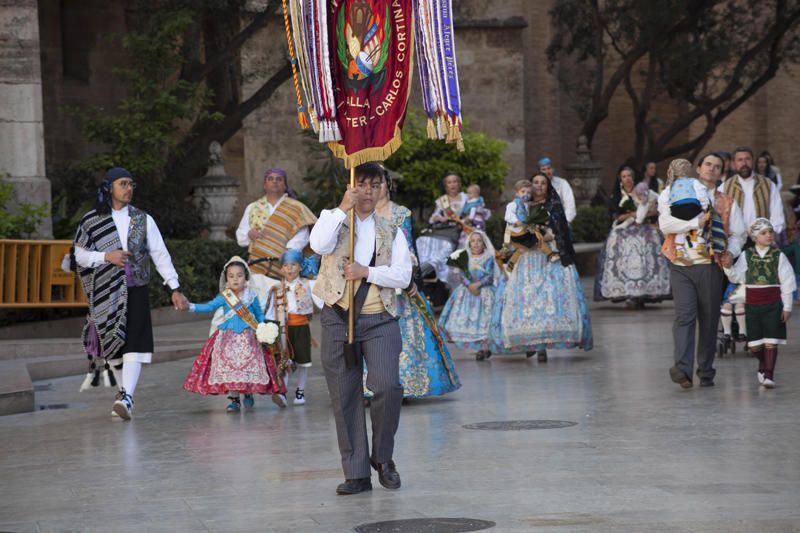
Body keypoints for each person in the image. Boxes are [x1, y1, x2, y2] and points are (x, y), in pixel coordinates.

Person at [310, 162, 412, 495]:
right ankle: (355, 471)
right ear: (352, 186)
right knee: (344, 395)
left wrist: (366, 272)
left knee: (386, 386)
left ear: (383, 188)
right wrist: (342, 207)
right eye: (362, 184)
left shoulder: (393, 230)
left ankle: (383, 458)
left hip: (379, 319)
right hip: (337, 317)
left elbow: (402, 276)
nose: (367, 191)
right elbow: (317, 244)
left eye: (374, 185)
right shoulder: (335, 219)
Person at [73, 167, 189, 420]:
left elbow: (160, 254)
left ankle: (126, 396)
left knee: (135, 342)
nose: (129, 188)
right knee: (113, 345)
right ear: (110, 188)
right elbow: (79, 255)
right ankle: (123, 392)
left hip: (135, 287)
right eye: (123, 184)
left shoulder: (143, 219)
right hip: (105, 292)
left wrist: (174, 287)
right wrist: (106, 256)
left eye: (131, 184)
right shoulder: (91, 220)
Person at [368, 170, 461, 399]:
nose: (374, 189)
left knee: (404, 331)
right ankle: (371, 385)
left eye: (378, 184)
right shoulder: (361, 213)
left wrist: (409, 276)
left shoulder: (400, 213)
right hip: (370, 281)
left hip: (396, 280)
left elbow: (408, 247)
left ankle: (405, 384)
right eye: (369, 185)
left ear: (387, 186)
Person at [659, 155, 746, 389]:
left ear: (721, 173)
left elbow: (738, 233)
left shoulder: (727, 202)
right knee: (684, 317)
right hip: (681, 265)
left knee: (708, 320)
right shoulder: (674, 192)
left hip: (710, 265)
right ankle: (683, 370)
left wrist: (731, 251)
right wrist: (693, 224)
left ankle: (706, 371)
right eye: (708, 164)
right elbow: (665, 224)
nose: (712, 169)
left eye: (717, 167)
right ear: (698, 169)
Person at [492, 172, 593, 361]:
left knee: (549, 298)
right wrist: (521, 238)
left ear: (548, 186)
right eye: (535, 183)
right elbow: (512, 226)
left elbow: (561, 229)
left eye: (543, 183)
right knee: (525, 298)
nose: (538, 186)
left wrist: (547, 236)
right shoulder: (520, 205)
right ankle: (529, 342)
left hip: (548, 257)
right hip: (526, 258)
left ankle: (542, 346)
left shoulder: (553, 206)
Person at [182, 257, 286, 411]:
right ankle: (235, 398)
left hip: (249, 337)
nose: (235, 279)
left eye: (239, 275)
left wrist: (264, 328)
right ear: (226, 279)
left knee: (247, 365)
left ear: (246, 277)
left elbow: (259, 315)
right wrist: (189, 306)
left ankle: (248, 393)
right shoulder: (225, 297)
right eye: (231, 276)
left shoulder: (251, 296)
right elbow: (208, 307)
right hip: (227, 337)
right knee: (230, 368)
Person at [724, 218, 795, 388]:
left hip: (773, 303)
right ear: (754, 237)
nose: (769, 235)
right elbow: (737, 276)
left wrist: (787, 306)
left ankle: (769, 373)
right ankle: (763, 364)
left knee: (772, 340)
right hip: (753, 305)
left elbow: (787, 282)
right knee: (755, 345)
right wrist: (727, 267)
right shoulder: (747, 255)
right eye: (763, 233)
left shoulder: (779, 256)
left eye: (770, 232)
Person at [235, 167, 317, 309]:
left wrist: (286, 253)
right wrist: (249, 234)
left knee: (285, 308)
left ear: (285, 185)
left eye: (279, 179)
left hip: (287, 268)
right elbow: (240, 236)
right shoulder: (253, 207)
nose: (275, 182)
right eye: (270, 179)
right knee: (260, 308)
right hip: (258, 267)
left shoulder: (296, 208)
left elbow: (303, 235)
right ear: (264, 184)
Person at [594, 166, 671, 307]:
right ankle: (626, 292)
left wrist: (643, 213)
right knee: (617, 250)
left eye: (629, 175)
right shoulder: (617, 196)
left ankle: (644, 291)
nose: (627, 179)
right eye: (624, 176)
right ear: (620, 179)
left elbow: (654, 211)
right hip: (623, 231)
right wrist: (634, 214)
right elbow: (616, 216)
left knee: (648, 249)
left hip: (643, 229)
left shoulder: (642, 192)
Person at [265, 249, 321, 406]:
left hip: (302, 327)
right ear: (281, 269)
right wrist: (268, 328)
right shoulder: (276, 289)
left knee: (303, 362)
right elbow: (269, 311)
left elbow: (321, 297)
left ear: (301, 267)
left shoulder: (308, 285)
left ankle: (300, 391)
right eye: (286, 265)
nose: (289, 268)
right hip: (284, 328)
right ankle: (282, 392)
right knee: (284, 360)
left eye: (294, 265)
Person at [438, 231, 500, 360]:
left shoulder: (488, 258)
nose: (476, 244)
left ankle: (485, 347)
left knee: (485, 321)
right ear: (469, 244)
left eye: (479, 241)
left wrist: (477, 285)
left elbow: (489, 276)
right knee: (470, 321)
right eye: (473, 241)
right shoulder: (464, 257)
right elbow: (461, 275)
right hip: (466, 293)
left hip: (485, 292)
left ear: (484, 243)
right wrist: (469, 285)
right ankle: (478, 348)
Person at [720, 147, 784, 236]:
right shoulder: (725, 187)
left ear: (753, 161)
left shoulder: (768, 185)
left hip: (762, 241)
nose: (744, 163)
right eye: (740, 160)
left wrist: (768, 235)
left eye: (747, 159)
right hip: (734, 242)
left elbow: (777, 216)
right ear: (734, 163)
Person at [417, 173, 468, 285]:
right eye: (449, 182)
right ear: (446, 186)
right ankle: (427, 267)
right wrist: (441, 217)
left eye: (454, 181)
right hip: (447, 231)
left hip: (462, 231)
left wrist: (464, 220)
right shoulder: (442, 200)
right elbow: (433, 217)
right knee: (423, 241)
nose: (452, 184)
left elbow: (472, 213)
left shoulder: (465, 198)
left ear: (459, 184)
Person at [538, 157, 577, 224]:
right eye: (544, 169)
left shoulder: (562, 183)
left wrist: (565, 222)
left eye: (549, 168)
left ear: (552, 169)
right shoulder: (535, 185)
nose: (547, 172)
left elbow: (570, 205)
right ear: (539, 172)